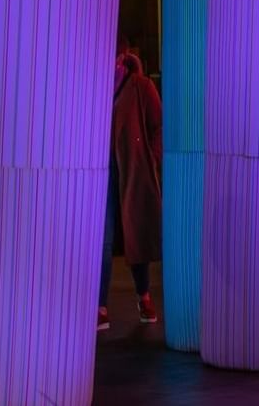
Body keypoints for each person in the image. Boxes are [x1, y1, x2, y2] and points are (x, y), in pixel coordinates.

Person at [100, 48, 162, 330]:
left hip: (132, 166)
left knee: (136, 232)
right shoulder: (93, 85)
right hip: (102, 168)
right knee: (103, 238)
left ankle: (144, 295)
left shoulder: (140, 86)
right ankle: (100, 305)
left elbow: (159, 126)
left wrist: (152, 158)